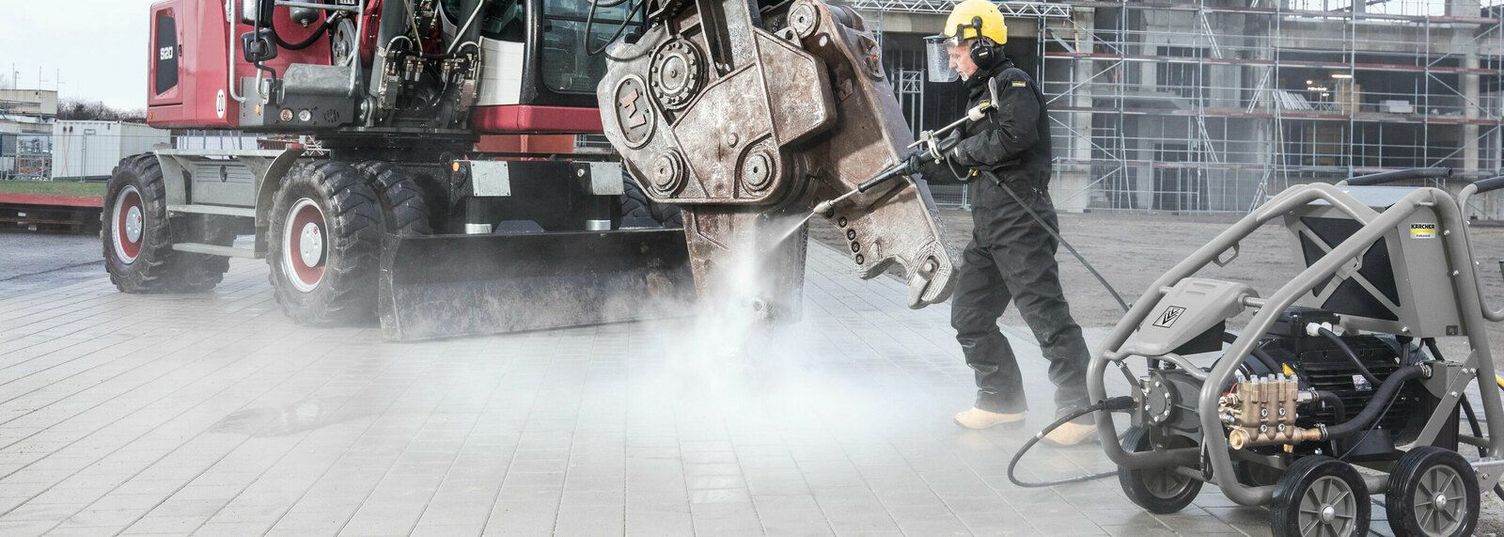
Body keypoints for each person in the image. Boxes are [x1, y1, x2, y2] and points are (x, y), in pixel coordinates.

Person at [919, 0, 1095, 446]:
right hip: (989, 226)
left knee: (1044, 315)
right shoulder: (980, 96)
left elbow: (1017, 136)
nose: (953, 60)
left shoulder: (1012, 82)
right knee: (970, 314)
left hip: (1021, 220)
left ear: (981, 45)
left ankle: (1082, 410)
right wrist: (927, 161)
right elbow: (966, 156)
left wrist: (961, 151)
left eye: (957, 51)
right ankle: (1001, 401)